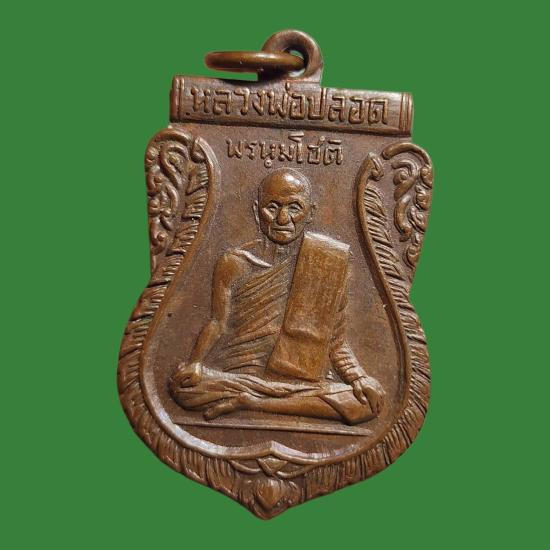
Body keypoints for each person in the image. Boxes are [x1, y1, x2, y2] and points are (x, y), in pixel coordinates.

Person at [169, 168, 384, 425]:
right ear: (256, 210)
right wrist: (195, 362)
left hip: (301, 382)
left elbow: (335, 342)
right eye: (272, 207)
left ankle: (254, 404)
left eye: (294, 207)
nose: (283, 218)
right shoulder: (235, 263)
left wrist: (358, 377)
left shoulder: (327, 262)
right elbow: (217, 322)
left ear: (310, 213)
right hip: (240, 376)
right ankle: (265, 401)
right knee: (182, 388)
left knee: (367, 402)